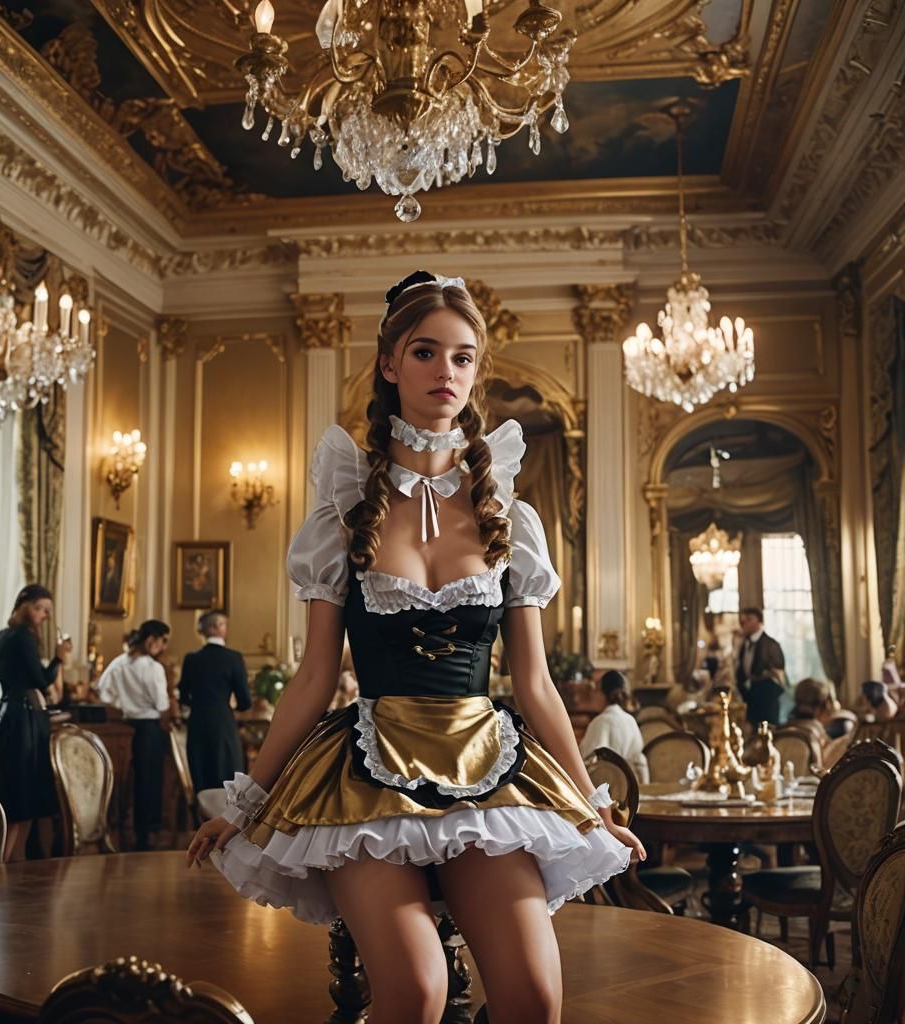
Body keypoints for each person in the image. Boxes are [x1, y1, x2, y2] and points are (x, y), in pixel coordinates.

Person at [187, 271, 642, 1024]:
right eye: (426, 352)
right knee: (417, 992)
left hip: (488, 764)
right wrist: (248, 801)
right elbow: (313, 677)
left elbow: (534, 684)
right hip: (365, 773)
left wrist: (592, 806)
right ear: (390, 365)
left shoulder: (510, 519)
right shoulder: (343, 511)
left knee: (534, 996)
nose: (446, 372)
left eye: (463, 358)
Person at [0, 584, 72, 861]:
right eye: (41, 609)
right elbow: (40, 680)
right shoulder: (23, 637)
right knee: (24, 798)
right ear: (25, 606)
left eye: (47, 611)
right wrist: (59, 659)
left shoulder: (0, 637)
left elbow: (1, 676)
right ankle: (8, 866)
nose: (44, 615)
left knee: (18, 797)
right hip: (26, 719)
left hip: (10, 716)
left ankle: (15, 864)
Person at [97, 620, 174, 851]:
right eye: (163, 642)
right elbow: (161, 704)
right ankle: (147, 832)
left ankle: (127, 830)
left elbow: (103, 691)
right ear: (151, 640)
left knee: (131, 781)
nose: (163, 648)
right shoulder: (152, 668)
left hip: (126, 726)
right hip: (149, 727)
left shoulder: (119, 663)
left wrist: (123, 704)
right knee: (150, 781)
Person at [179, 611, 252, 794]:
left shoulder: (191, 659)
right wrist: (231, 705)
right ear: (218, 628)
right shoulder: (234, 658)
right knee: (226, 777)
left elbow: (183, 696)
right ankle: (226, 821)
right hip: (223, 723)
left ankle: (202, 820)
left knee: (202, 776)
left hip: (197, 723)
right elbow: (245, 701)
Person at [579, 671, 649, 784]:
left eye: (596, 690)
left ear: (603, 693)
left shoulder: (600, 722)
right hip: (632, 787)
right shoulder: (631, 720)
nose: (593, 695)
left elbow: (586, 761)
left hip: (609, 789)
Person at [735, 607, 786, 729]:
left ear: (759, 622)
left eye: (749, 619)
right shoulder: (744, 643)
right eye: (743, 620)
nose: (744, 623)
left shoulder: (771, 645)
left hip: (768, 696)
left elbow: (778, 670)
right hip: (751, 696)